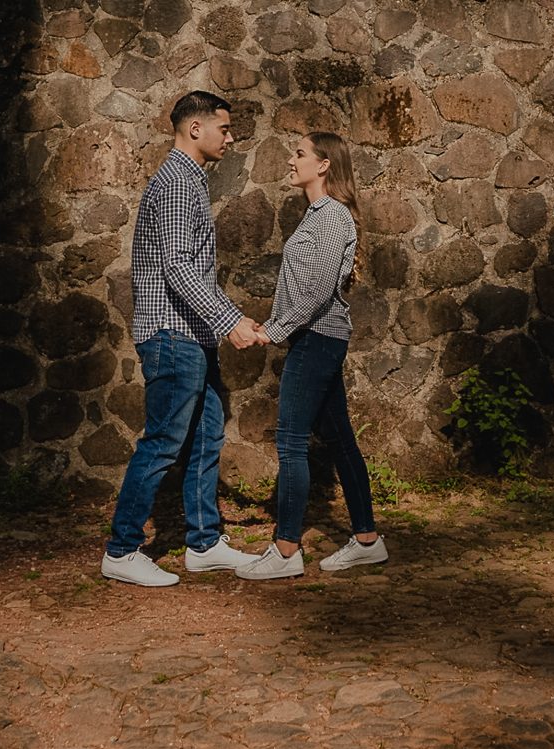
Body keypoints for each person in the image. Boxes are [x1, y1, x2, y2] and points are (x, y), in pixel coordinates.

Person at [101, 91, 263, 588]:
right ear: (195, 128)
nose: (230, 137)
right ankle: (122, 550)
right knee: (165, 443)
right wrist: (229, 319)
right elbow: (176, 267)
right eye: (224, 128)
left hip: (193, 334)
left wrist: (228, 320)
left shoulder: (189, 181)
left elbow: (193, 269)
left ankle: (204, 544)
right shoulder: (175, 184)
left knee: (206, 436)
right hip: (172, 335)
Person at [237, 132, 388, 581]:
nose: (290, 160)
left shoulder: (331, 217)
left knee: (290, 441)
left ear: (323, 165)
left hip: (316, 337)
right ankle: (367, 541)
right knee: (340, 439)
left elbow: (319, 291)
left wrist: (274, 331)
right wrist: (277, 325)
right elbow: (308, 288)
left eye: (299, 154)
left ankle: (285, 551)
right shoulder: (319, 216)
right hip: (317, 336)